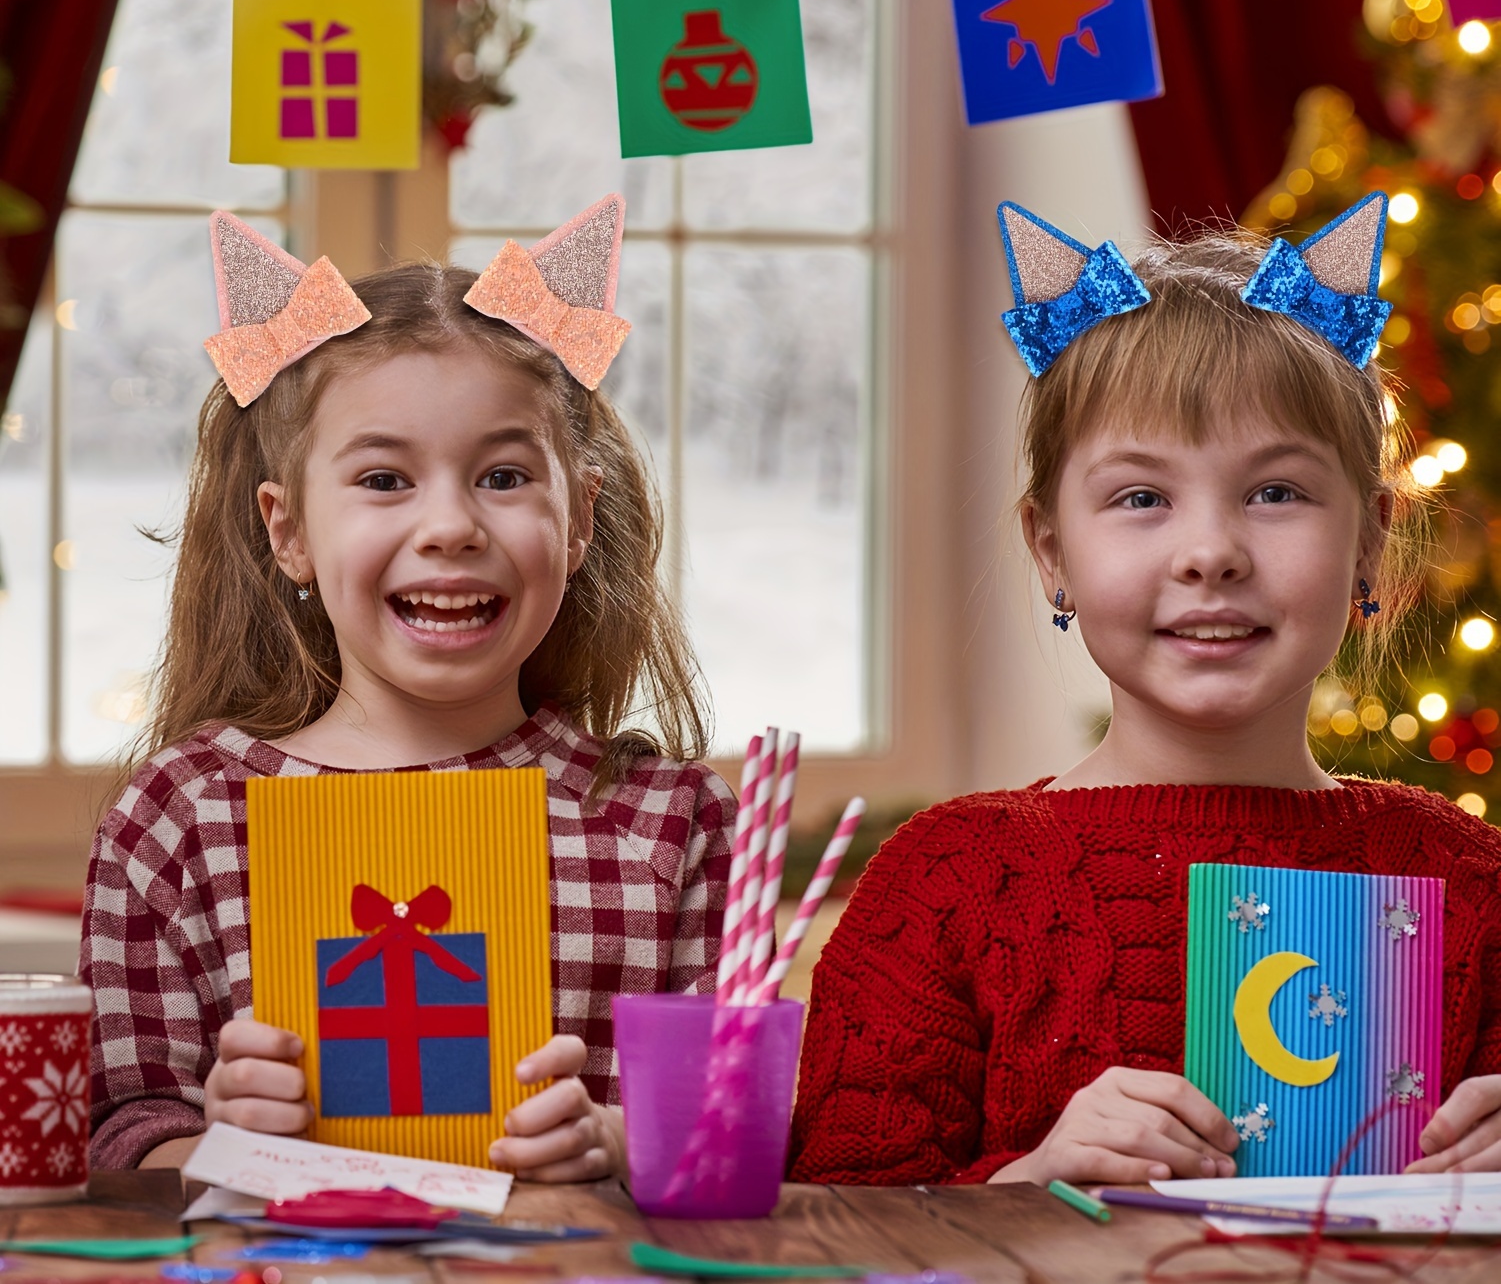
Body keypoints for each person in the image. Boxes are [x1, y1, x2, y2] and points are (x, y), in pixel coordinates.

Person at [789, 194, 1501, 1187]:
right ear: (1052, 553)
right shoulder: (944, 886)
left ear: (1369, 542)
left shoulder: (1472, 885)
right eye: (1141, 499)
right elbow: (832, 1233)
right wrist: (1029, 1183)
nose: (1208, 551)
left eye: (1275, 492)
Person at [81, 195, 734, 1180]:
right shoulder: (177, 819)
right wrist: (217, 1139)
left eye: (504, 476)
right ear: (288, 529)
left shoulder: (674, 826)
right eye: (385, 480)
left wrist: (620, 1142)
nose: (450, 526)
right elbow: (113, 1133)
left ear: (583, 514)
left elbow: (735, 1145)